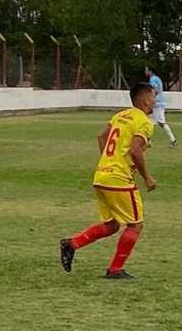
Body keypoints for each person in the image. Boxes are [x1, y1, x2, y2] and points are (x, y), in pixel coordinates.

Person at [59, 83, 158, 280]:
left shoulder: (120, 115)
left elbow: (101, 136)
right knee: (135, 225)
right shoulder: (144, 121)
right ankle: (115, 269)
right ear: (145, 99)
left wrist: (109, 161)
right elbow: (135, 151)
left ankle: (72, 244)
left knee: (112, 224)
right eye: (154, 96)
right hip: (118, 179)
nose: (156, 100)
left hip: (102, 176)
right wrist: (147, 177)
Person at [145, 67, 177, 147]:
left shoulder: (152, 79)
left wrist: (151, 98)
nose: (145, 72)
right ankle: (148, 141)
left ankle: (173, 140)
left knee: (161, 122)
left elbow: (156, 90)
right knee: (149, 121)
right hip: (158, 103)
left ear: (150, 71)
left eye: (146, 70)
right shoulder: (157, 78)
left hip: (157, 104)